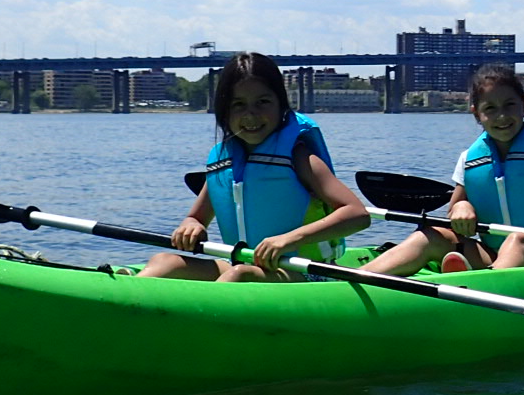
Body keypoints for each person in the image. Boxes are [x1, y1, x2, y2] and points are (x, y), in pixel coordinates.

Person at [363, 63, 524, 276]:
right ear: (476, 113)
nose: (501, 116)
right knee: (430, 236)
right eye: (490, 108)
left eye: (509, 105)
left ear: (523, 106)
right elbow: (455, 208)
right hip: (492, 253)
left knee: (518, 241)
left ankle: (480, 288)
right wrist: (462, 207)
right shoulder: (468, 159)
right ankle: (355, 280)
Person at [138, 52, 368, 282]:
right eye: (239, 104)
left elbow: (357, 214)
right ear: (224, 111)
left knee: (241, 275)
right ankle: (131, 296)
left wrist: (289, 239)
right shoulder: (224, 162)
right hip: (243, 266)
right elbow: (196, 218)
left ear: (281, 106)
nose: (251, 115)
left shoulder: (299, 157)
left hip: (307, 274)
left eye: (263, 102)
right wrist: (190, 226)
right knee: (164, 261)